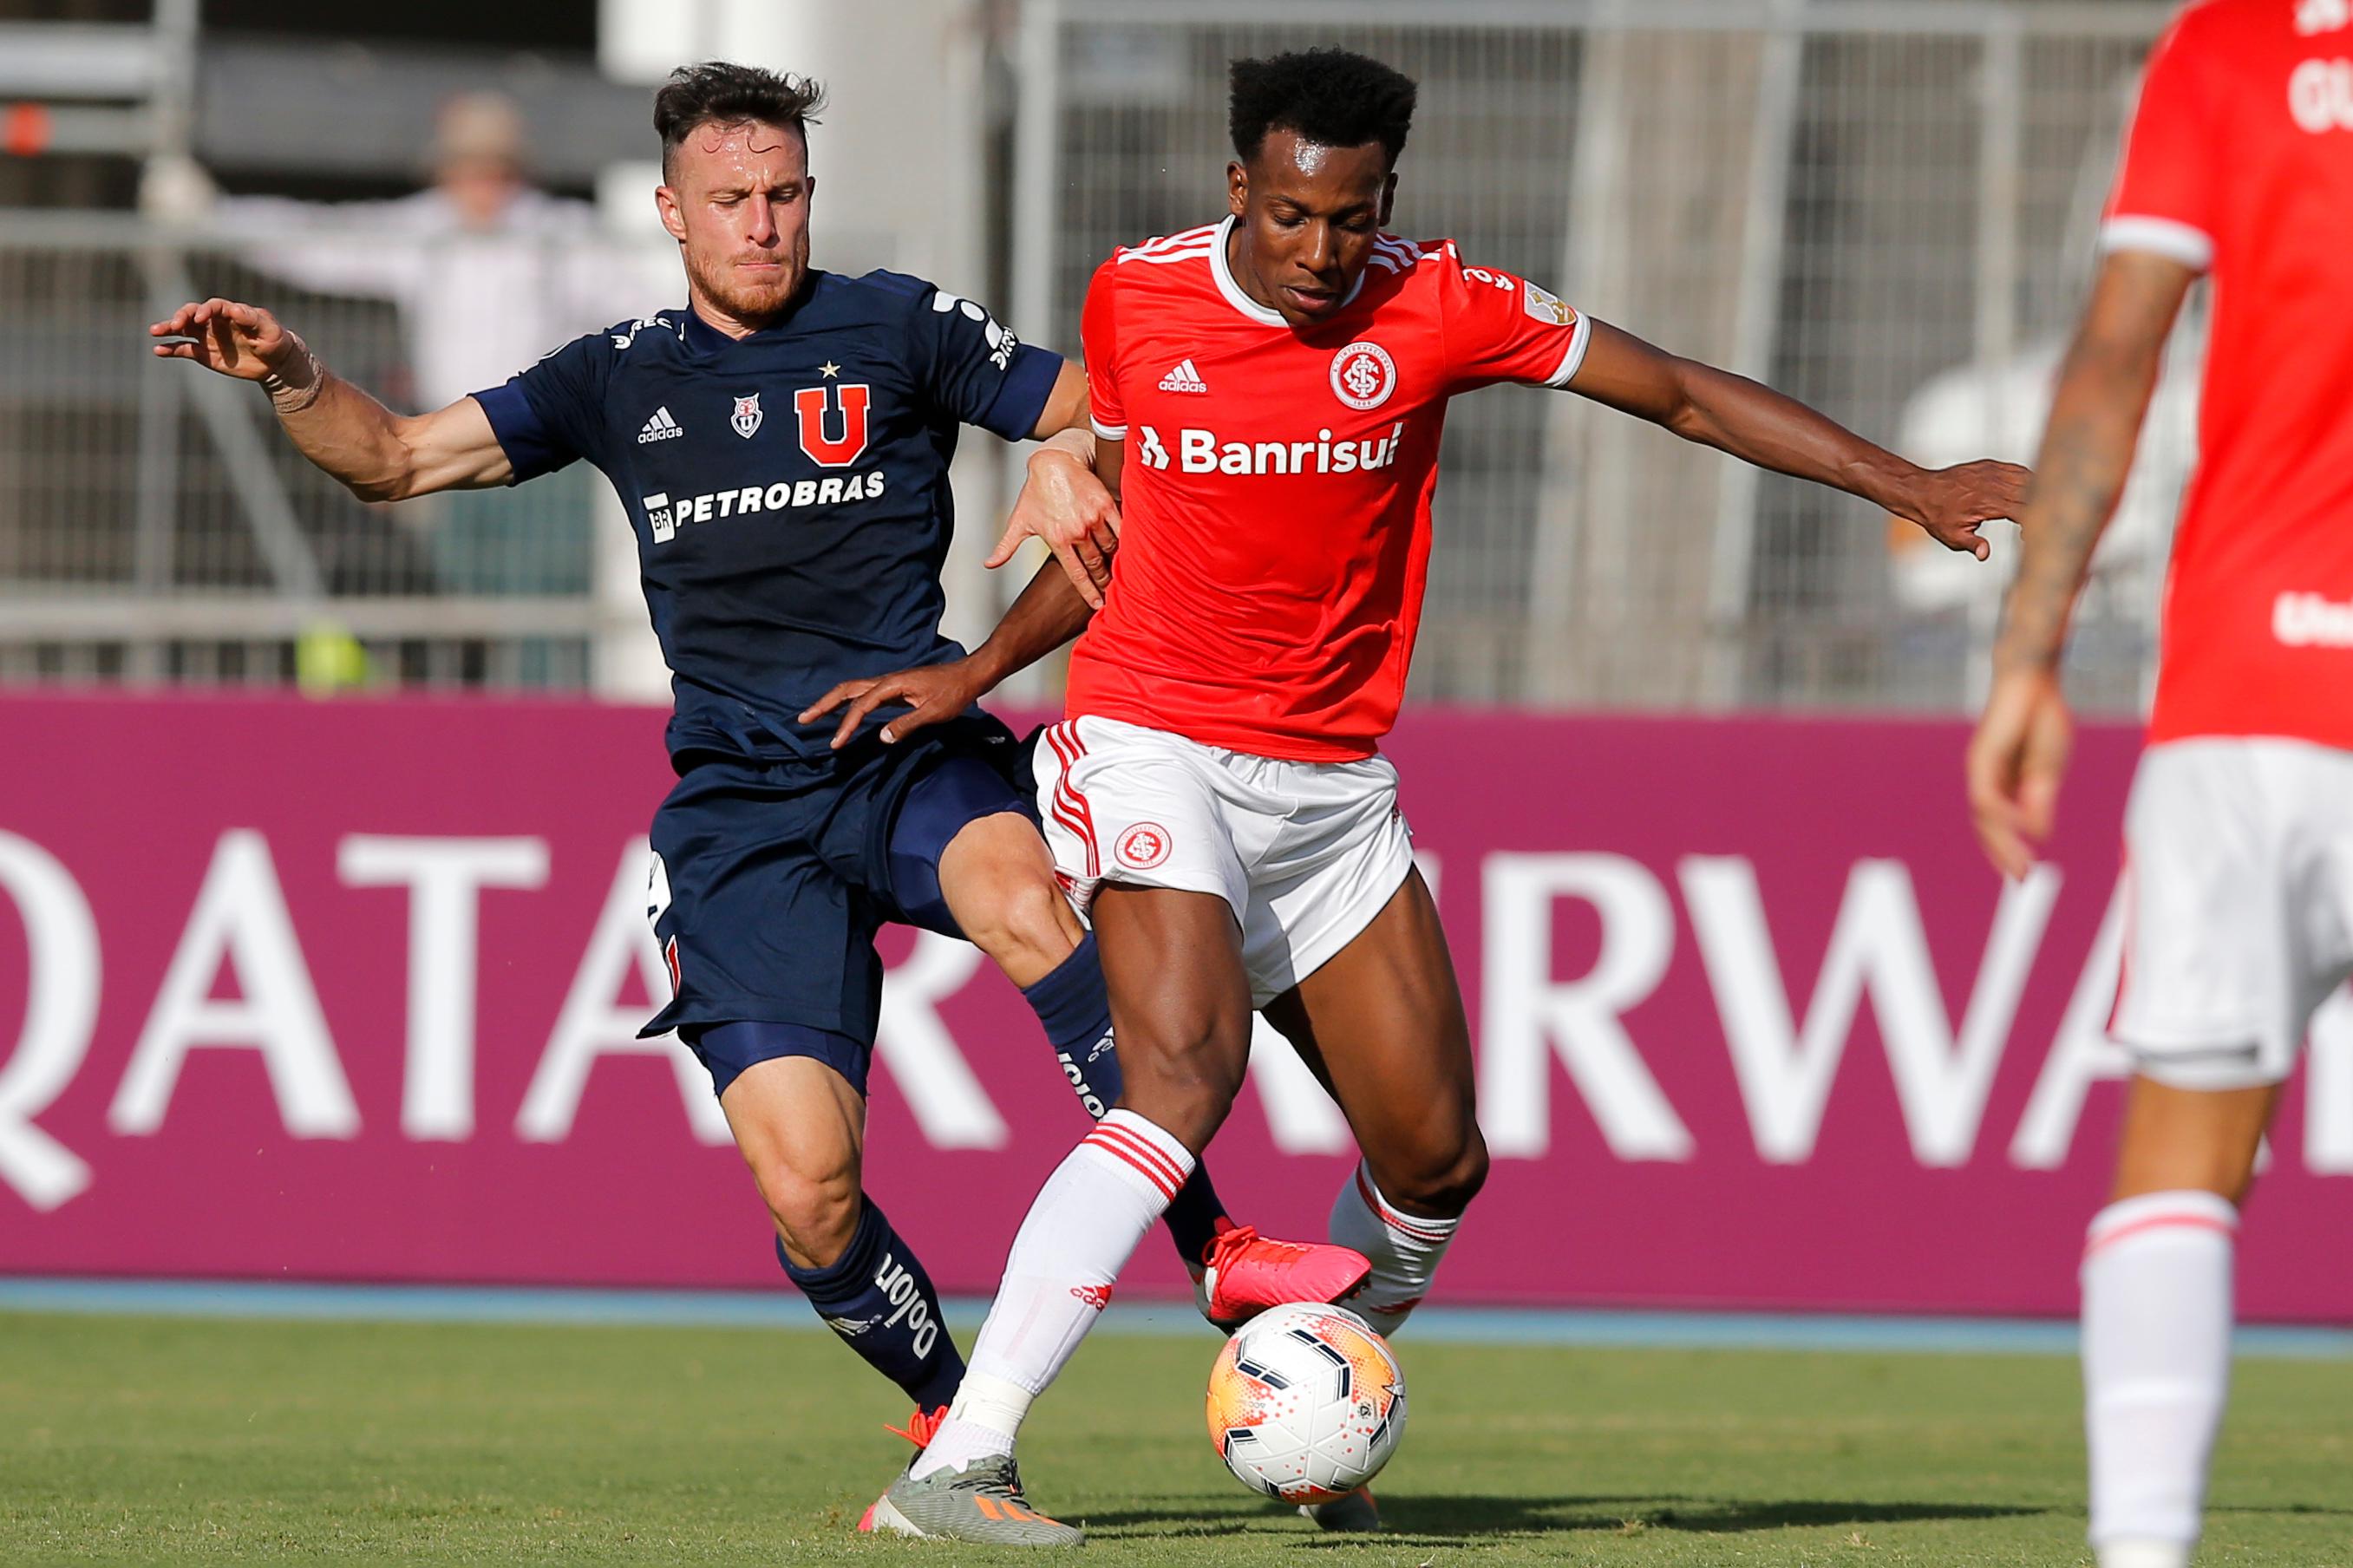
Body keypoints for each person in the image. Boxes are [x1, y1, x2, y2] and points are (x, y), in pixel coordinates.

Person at [809, 47, 2026, 1545]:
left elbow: (1685, 397)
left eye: (1354, 215)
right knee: (1182, 1082)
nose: (1323, 251)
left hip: (1329, 790)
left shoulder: (1444, 302)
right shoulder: (1139, 294)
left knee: (1436, 1161)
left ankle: (1321, 1393)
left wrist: (1906, 484)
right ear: (1239, 186)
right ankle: (960, 1462)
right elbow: (1115, 524)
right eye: (1294, 214)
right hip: (1150, 740)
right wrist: (985, 668)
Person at [147, 57, 1364, 1468]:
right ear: (672, 211)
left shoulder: (895, 326)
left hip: (904, 749)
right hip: (737, 815)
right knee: (811, 1195)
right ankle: (951, 1424)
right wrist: (295, 375)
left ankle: (1214, 1248)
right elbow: (400, 460)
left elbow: (1122, 399)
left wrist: (1073, 452)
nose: (765, 225)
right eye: (732, 200)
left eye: (785, 195)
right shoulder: (616, 377)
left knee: (1027, 900)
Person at [1965, 4, 2353, 1565]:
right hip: (2245, 701)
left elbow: (2119, 350)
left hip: (2248, 695)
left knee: (2186, 1162)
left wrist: (2024, 655)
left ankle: (2143, 1554)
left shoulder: (2228, 48)